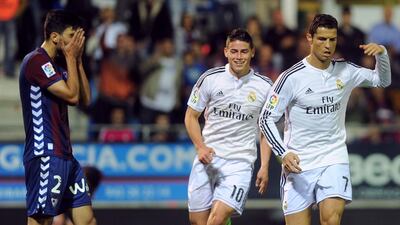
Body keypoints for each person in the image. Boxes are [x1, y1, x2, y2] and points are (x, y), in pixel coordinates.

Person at [259, 14, 391, 225]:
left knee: (331, 220)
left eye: (332, 39)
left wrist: (382, 54)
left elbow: (382, 81)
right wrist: (283, 153)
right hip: (299, 163)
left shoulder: (345, 70)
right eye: (322, 39)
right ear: (309, 38)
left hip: (333, 158)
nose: (328, 45)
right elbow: (265, 119)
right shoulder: (290, 78)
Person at [185, 28, 273, 225]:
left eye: (243, 51)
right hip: (209, 160)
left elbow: (266, 130)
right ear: (225, 52)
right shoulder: (210, 79)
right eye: (234, 51)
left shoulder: (265, 87)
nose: (238, 57)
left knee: (216, 219)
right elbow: (191, 116)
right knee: (198, 221)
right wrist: (200, 147)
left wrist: (264, 166)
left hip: (240, 163)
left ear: (252, 52)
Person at [19, 10, 96, 225]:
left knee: (87, 219)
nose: (76, 42)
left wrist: (78, 61)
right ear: (55, 37)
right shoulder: (36, 61)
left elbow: (85, 99)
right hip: (45, 154)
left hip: (66, 155)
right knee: (41, 220)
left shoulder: (60, 64)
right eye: (72, 36)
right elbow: (72, 96)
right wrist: (71, 57)